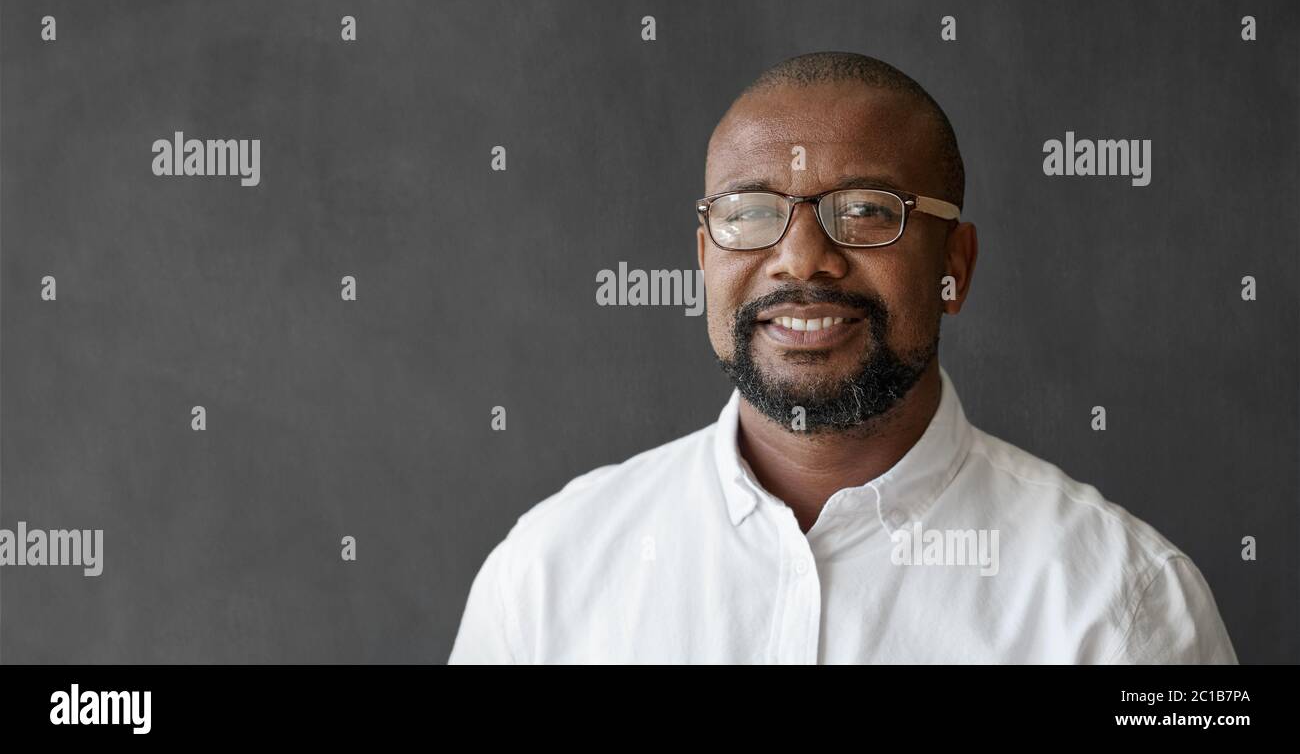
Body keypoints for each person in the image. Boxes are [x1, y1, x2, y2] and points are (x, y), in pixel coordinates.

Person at [448, 51, 1237, 664]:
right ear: (702, 259)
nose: (800, 259)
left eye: (864, 211)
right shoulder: (548, 572)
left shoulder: (1125, 604)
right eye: (750, 211)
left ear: (954, 266)